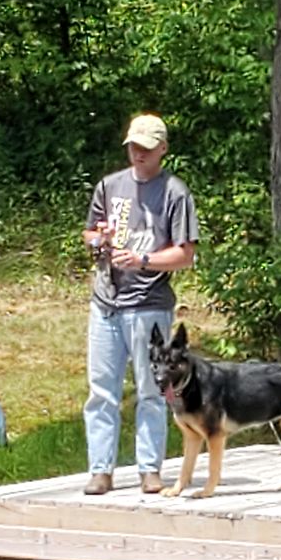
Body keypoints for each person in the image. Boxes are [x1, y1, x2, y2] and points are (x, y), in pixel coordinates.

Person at [82, 113, 199, 496]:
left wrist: (142, 260)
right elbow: (90, 232)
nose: (138, 153)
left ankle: (150, 469)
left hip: (149, 304)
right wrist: (98, 240)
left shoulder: (175, 193)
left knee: (152, 389)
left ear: (163, 149)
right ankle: (101, 470)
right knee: (101, 391)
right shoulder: (109, 185)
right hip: (106, 302)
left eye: (146, 148)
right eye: (133, 146)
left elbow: (185, 255)